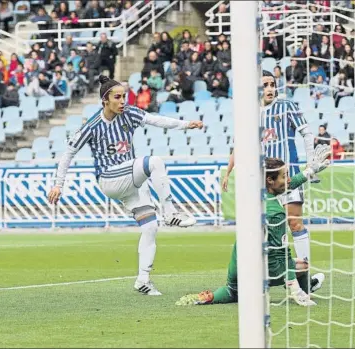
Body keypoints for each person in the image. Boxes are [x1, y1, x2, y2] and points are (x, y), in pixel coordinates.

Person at [47, 75, 203, 296]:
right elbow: (68, 153)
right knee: (155, 162)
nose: (123, 101)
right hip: (109, 179)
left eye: (124, 97)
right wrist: (57, 185)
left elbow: (155, 120)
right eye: (117, 97)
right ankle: (170, 213)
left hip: (130, 181)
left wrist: (186, 125)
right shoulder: (92, 126)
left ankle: (143, 280)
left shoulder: (129, 114)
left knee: (149, 227)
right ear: (105, 100)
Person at [177, 152, 331, 306]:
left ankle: (216, 295)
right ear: (270, 180)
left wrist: (310, 171)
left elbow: (288, 185)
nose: (289, 179)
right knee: (302, 265)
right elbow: (282, 256)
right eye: (285, 176)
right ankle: (303, 291)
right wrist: (294, 288)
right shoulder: (276, 213)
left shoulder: (255, 193)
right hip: (263, 272)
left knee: (234, 290)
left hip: (238, 264)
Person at [221, 71, 317, 267]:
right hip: (264, 181)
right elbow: (238, 145)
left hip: (288, 177)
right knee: (264, 227)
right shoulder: (250, 113)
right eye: (265, 85)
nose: (270, 89)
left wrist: (311, 162)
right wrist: (228, 172)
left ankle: (304, 273)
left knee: (294, 223)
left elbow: (307, 133)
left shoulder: (287, 106)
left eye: (272, 84)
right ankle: (266, 272)